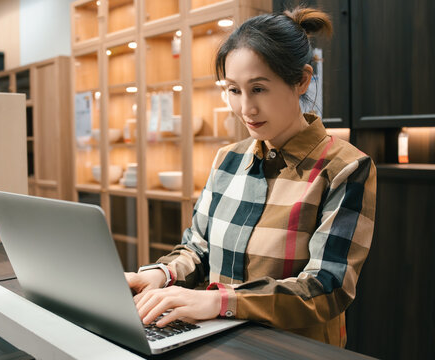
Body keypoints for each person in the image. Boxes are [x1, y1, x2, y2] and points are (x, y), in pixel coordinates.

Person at [126, 7, 376, 347]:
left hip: (294, 350)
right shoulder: (228, 159)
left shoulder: (345, 168)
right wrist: (161, 274)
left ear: (302, 80)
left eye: (258, 89)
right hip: (219, 342)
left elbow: (327, 288)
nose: (246, 108)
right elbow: (198, 248)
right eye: (233, 90)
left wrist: (220, 301)